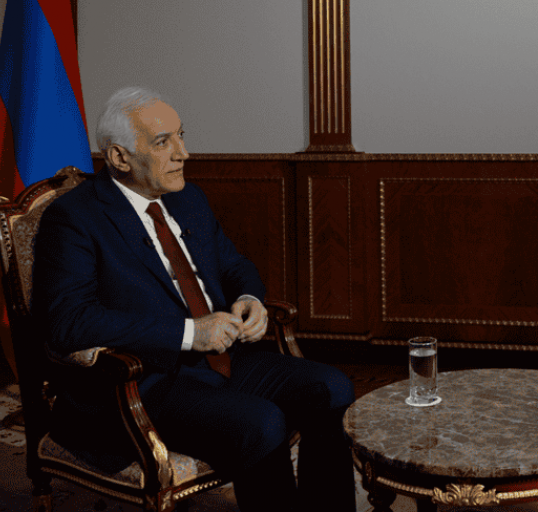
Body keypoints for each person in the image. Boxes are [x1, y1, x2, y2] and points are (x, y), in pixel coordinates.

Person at [32, 86, 357, 512]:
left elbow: (235, 265)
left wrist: (249, 298)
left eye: (181, 136)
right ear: (119, 157)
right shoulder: (74, 218)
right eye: (163, 142)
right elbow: (68, 322)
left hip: (220, 359)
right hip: (144, 381)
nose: (183, 153)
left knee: (332, 388)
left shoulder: (188, 198)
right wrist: (189, 333)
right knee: (262, 423)